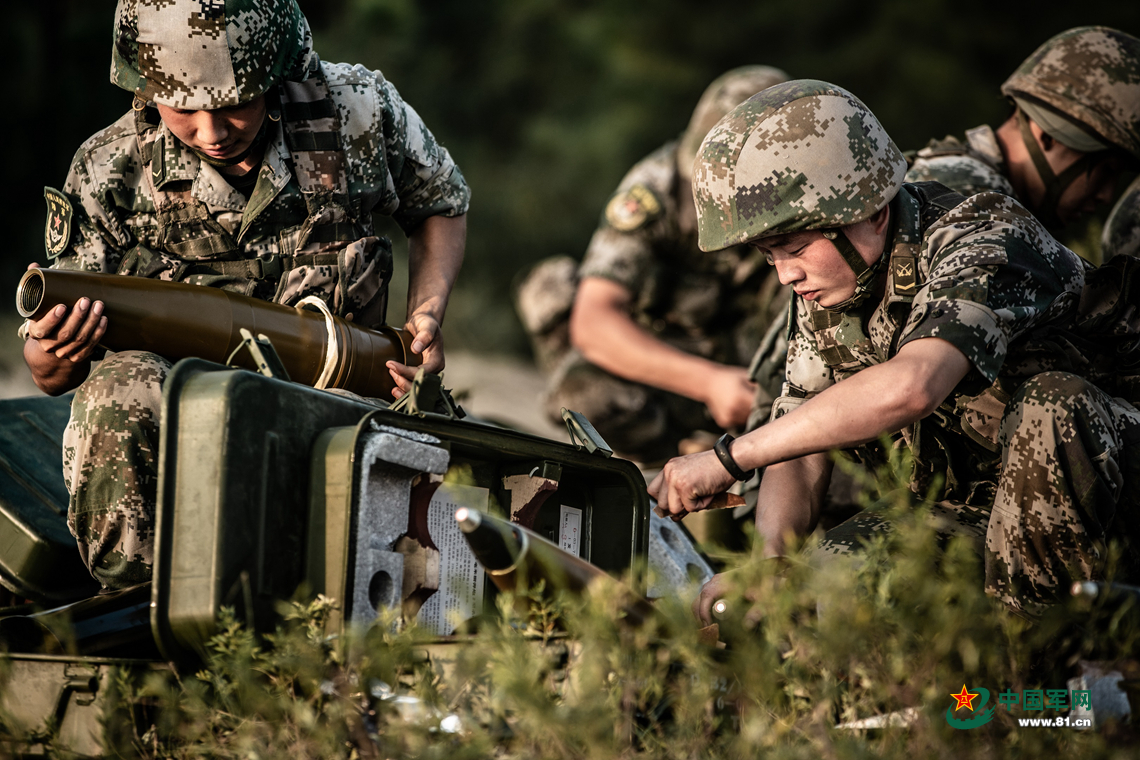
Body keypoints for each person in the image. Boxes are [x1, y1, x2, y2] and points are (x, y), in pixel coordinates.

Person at [649, 80, 1140, 623]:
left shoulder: (983, 236)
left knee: (1054, 404)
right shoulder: (833, 282)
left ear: (871, 213)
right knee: (820, 593)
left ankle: (1047, 665)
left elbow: (913, 385)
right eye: (770, 256)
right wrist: (771, 563)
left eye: (793, 249)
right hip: (976, 503)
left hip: (1109, 496)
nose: (786, 273)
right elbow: (798, 435)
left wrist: (729, 458)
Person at [20, 0, 469, 590]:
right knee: (118, 386)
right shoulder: (111, 170)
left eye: (233, 104)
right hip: (186, 447)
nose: (211, 132)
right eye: (182, 106)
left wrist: (425, 315)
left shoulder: (353, 111)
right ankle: (141, 612)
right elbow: (49, 374)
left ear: (277, 71)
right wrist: (53, 355)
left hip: (343, 419)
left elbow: (440, 203)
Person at [514, 66, 789, 462]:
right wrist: (710, 383)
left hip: (758, 362)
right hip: (666, 354)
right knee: (580, 388)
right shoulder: (655, 191)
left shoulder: (797, 197)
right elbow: (594, 320)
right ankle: (668, 457)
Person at [906, 26, 1140, 249]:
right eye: (1107, 169)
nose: (1106, 195)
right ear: (1049, 135)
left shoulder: (966, 180)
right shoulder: (977, 199)